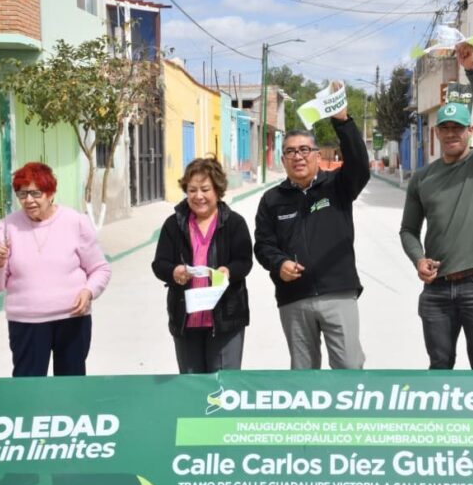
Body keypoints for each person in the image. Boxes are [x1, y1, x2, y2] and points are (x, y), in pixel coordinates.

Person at [399, 42, 473, 370]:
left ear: (470, 130)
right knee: (439, 365)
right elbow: (408, 230)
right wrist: (418, 259)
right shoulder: (423, 178)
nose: (451, 134)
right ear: (436, 132)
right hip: (436, 290)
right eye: (445, 128)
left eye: (457, 128)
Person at [254, 86, 370, 370]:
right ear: (283, 160)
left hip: (338, 293)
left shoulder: (338, 185)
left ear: (318, 156)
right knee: (303, 376)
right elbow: (263, 244)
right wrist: (279, 263)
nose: (298, 156)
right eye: (290, 151)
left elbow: (359, 165)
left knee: (349, 367)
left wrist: (342, 121)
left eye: (305, 150)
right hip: (294, 298)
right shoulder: (271, 200)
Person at [0, 162, 111, 377]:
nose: (29, 200)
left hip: (72, 319)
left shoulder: (75, 222)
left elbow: (100, 269)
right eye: (22, 194)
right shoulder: (7, 227)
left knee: (70, 386)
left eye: (35, 193)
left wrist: (88, 291)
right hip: (26, 323)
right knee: (28, 387)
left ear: (51, 193)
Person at [152, 156, 252, 373]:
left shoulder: (234, 223)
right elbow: (159, 264)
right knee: (192, 384)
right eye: (192, 190)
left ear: (217, 190)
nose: (198, 196)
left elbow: (244, 261)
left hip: (226, 318)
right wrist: (174, 271)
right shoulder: (173, 224)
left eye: (205, 189)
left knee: (223, 382)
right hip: (186, 319)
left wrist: (228, 271)